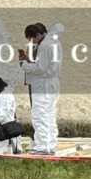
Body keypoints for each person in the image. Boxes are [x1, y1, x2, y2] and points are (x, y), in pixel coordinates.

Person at [19, 22, 64, 156]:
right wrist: (30, 60)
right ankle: (50, 144)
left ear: (38, 35)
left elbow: (40, 69)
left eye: (31, 38)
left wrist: (24, 64)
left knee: (40, 115)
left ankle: (42, 146)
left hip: (43, 85)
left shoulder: (45, 45)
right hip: (52, 83)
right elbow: (45, 65)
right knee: (49, 114)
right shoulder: (55, 43)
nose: (31, 42)